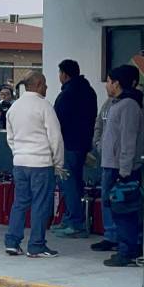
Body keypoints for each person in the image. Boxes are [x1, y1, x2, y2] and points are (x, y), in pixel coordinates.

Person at [4, 71, 64, 258]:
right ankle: (36, 245)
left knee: (20, 203)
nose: (46, 87)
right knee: (40, 204)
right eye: (45, 84)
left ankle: (12, 242)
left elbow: (10, 137)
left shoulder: (14, 107)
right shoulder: (44, 106)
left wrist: (19, 154)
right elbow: (55, 138)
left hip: (20, 163)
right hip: (41, 163)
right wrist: (58, 163)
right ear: (37, 84)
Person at [91, 66, 141, 253]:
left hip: (120, 167)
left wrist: (125, 170)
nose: (106, 85)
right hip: (109, 162)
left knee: (123, 207)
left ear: (116, 83)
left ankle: (127, 247)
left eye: (109, 81)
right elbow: (100, 126)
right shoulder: (112, 104)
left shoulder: (129, 105)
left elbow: (128, 140)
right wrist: (99, 145)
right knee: (110, 204)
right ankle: (115, 239)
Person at [52, 59, 98, 239]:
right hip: (83, 144)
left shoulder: (67, 94)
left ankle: (75, 223)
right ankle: (71, 218)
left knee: (68, 184)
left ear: (64, 74)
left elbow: (58, 122)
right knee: (76, 182)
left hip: (68, 145)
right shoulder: (90, 91)